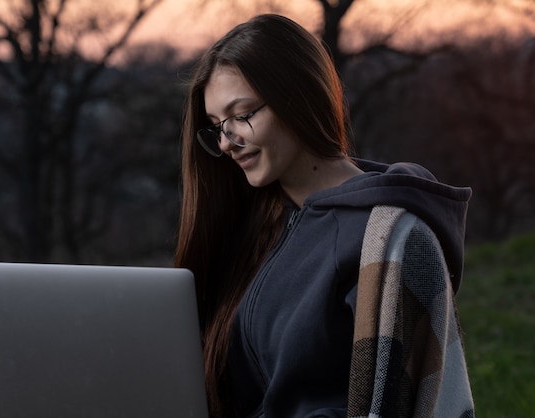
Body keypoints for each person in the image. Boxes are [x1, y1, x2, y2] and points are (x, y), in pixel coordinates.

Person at [174, 13, 475, 418]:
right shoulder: (261, 227)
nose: (227, 143)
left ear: (297, 97)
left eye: (242, 115)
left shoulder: (386, 236)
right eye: (217, 127)